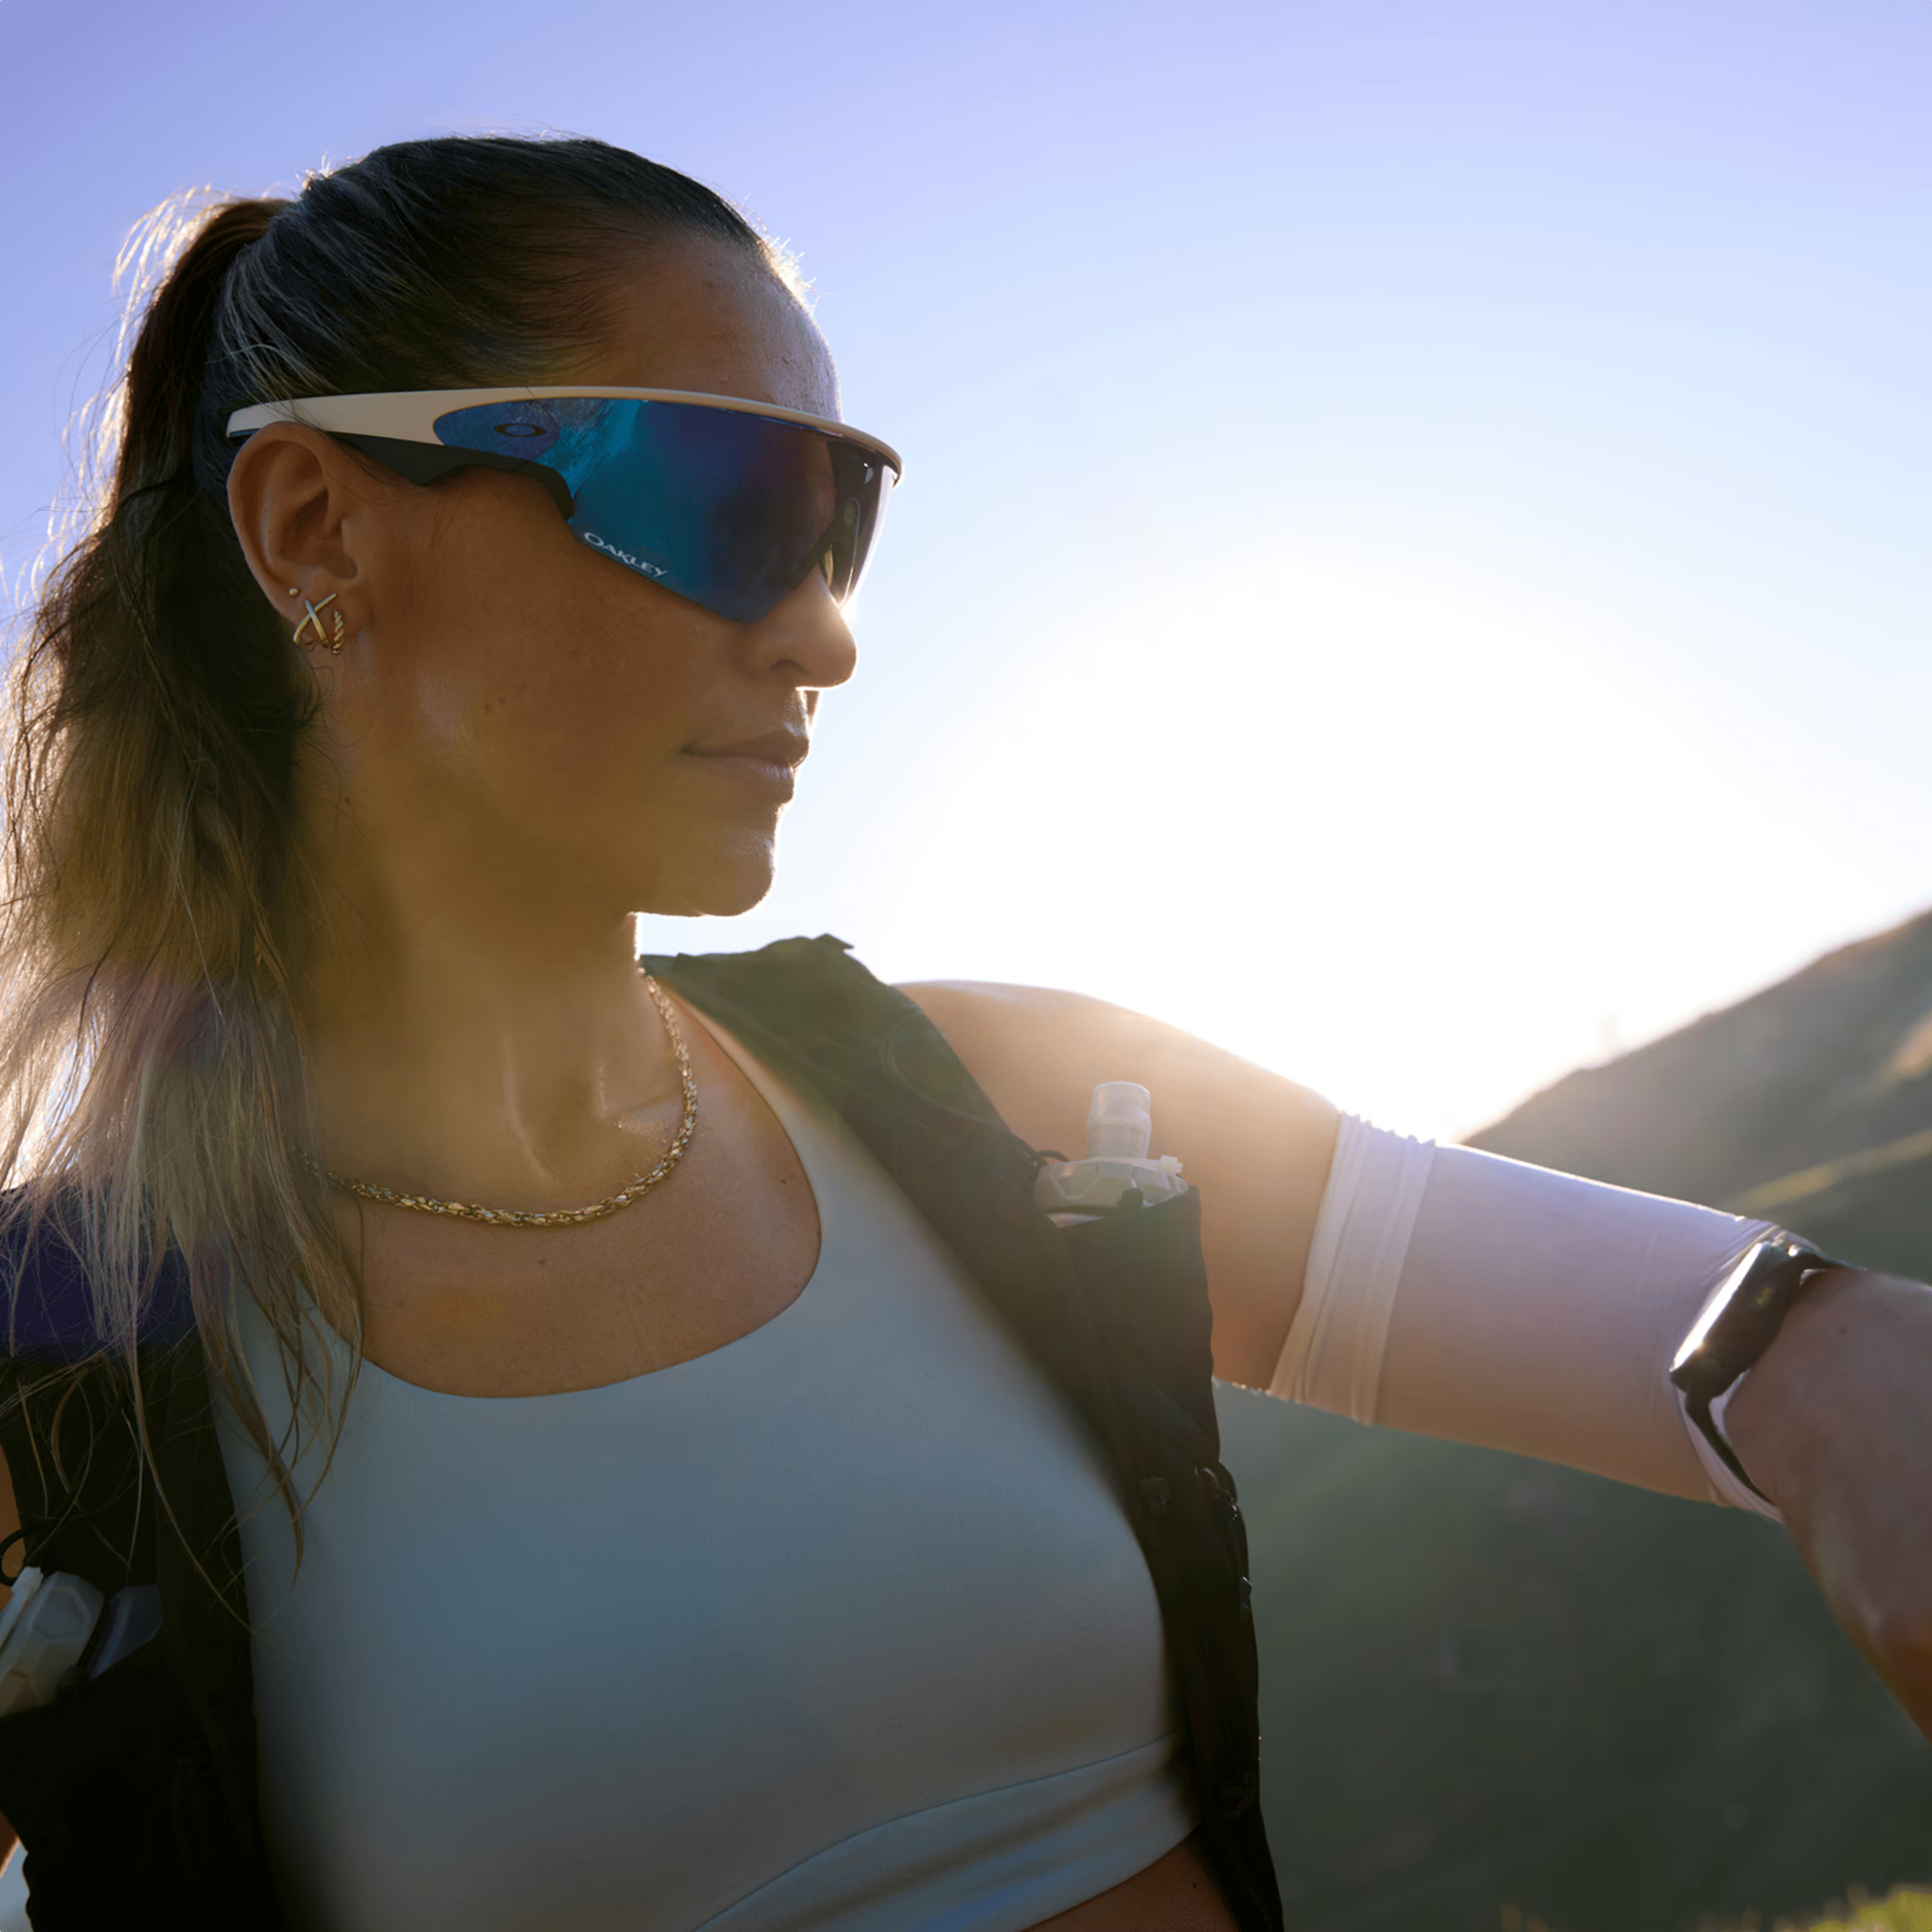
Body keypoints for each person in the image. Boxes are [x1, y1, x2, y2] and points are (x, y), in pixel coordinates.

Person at [0, 134, 1926, 1932]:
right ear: (316, 526)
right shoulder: (64, 1367)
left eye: (840, 520)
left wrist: (1828, 1363)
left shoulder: (1010, 1102)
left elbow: (1724, 1338)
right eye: (726, 499)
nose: (826, 635)